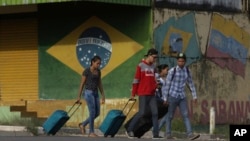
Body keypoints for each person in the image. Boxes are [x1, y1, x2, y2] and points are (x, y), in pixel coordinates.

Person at [125, 48, 164, 139]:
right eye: (154, 57)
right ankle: (129, 129)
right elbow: (136, 80)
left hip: (152, 94)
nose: (155, 59)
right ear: (149, 55)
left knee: (155, 113)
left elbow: (154, 79)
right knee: (141, 113)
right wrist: (133, 93)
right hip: (143, 93)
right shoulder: (140, 66)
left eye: (156, 58)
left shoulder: (153, 67)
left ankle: (155, 134)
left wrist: (156, 85)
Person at [162, 53, 200, 140]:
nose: (181, 63)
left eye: (182, 61)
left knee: (185, 115)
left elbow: (191, 83)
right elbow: (167, 85)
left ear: (185, 61)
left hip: (182, 96)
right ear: (177, 61)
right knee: (170, 116)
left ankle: (190, 134)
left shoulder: (187, 71)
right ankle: (168, 134)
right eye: (179, 61)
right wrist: (165, 98)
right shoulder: (172, 71)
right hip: (173, 96)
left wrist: (194, 96)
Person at [76, 55, 105, 137]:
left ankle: (83, 124)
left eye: (100, 64)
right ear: (93, 62)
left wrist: (103, 95)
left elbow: (99, 83)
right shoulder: (86, 71)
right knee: (92, 112)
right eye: (97, 63)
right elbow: (82, 84)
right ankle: (91, 132)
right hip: (88, 93)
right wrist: (78, 96)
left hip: (96, 93)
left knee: (97, 113)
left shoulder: (98, 72)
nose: (99, 65)